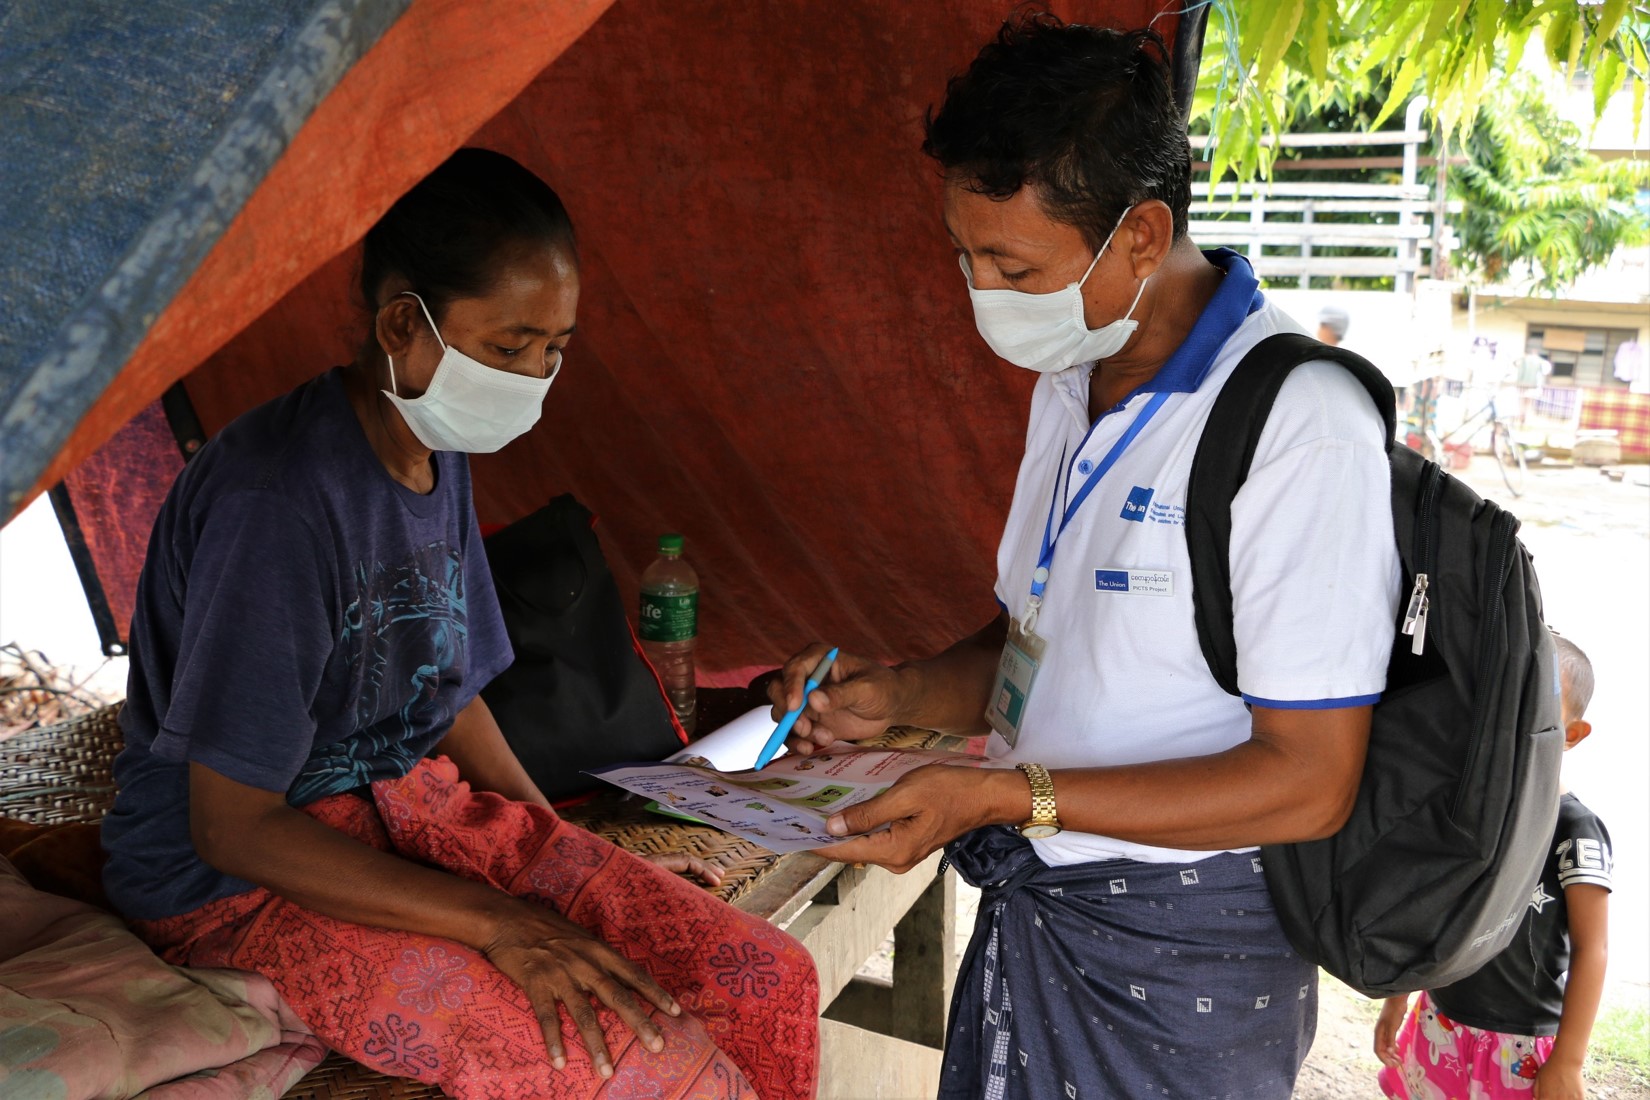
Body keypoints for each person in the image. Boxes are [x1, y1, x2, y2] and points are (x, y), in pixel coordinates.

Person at [768, 14, 1400, 1098]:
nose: (981, 293)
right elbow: (1037, 640)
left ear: (1143, 236)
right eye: (965, 256)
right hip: (1046, 906)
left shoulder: (1298, 422)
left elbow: (1309, 782)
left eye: (1012, 264)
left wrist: (1005, 798)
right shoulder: (1074, 376)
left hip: (1184, 957)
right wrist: (902, 693)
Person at [101, 148, 818, 1100]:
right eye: (511, 346)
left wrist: (565, 855)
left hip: (408, 816)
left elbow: (448, 696)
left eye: (554, 349)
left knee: (767, 979)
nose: (534, 376)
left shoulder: (433, 446)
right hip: (241, 886)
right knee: (642, 1073)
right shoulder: (276, 502)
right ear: (404, 324)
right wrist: (503, 922)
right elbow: (233, 825)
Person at [1374, 636, 1611, 1100]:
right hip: (1439, 1018)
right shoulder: (1467, 809)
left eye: (1538, 713)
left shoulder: (1576, 829)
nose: (1516, 725)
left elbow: (1593, 948)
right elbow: (1428, 910)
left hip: (1517, 1045)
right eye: (1506, 705)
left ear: (1572, 735)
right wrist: (1396, 1000)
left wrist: (1568, 1061)